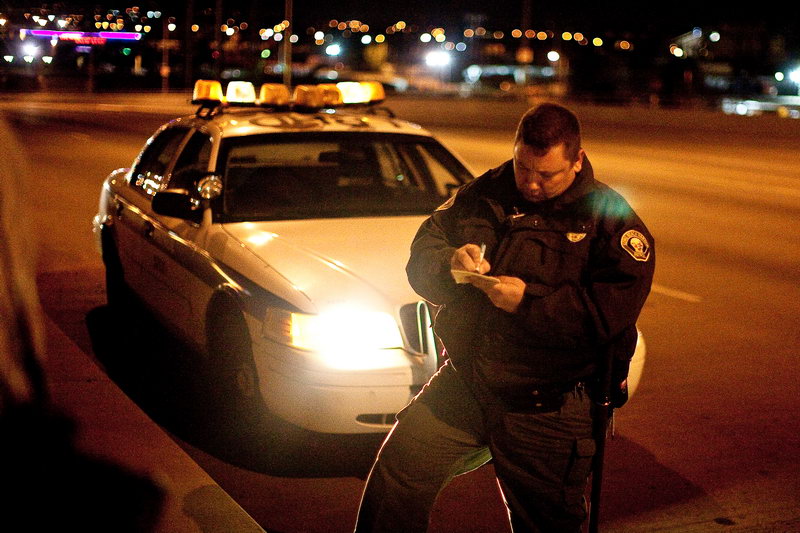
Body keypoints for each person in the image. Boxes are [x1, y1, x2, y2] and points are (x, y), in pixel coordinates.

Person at [354, 103, 654, 532]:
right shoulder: (487, 191)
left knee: (544, 523)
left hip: (549, 403)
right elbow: (425, 247)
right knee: (399, 475)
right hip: (469, 382)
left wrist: (526, 303)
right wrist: (450, 262)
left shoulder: (609, 218)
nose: (530, 182)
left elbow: (607, 317)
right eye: (522, 166)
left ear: (577, 160)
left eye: (546, 174)